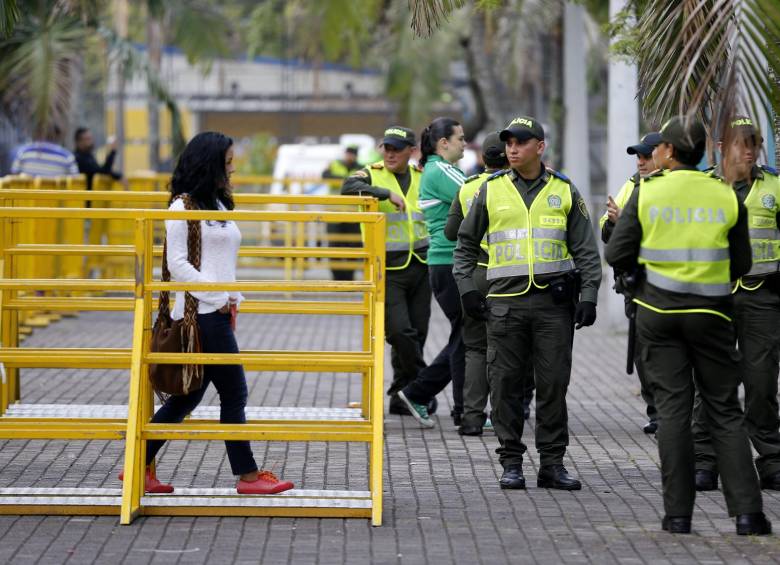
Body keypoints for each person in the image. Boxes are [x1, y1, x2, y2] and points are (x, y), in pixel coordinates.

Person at [606, 116, 770, 535]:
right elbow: (743, 264)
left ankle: (677, 516)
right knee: (724, 409)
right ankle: (749, 515)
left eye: (659, 147)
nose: (655, 152)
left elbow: (616, 253)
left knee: (674, 412)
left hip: (658, 316)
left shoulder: (647, 193)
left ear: (670, 152)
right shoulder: (725, 195)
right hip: (713, 316)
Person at [120, 131, 294, 495]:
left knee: (190, 395)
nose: (232, 169)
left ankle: (138, 465)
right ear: (209, 163)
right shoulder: (182, 207)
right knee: (234, 393)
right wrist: (216, 295)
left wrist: (232, 295)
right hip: (198, 314)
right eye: (227, 162)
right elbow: (177, 263)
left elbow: (222, 260)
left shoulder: (218, 204)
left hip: (217, 309)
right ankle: (248, 478)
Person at [454, 116, 602, 491]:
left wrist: (589, 296)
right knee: (505, 385)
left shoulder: (565, 191)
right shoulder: (491, 189)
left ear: (540, 146)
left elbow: (586, 250)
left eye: (521, 142)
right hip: (504, 304)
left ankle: (552, 464)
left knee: (553, 384)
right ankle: (511, 462)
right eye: (508, 143)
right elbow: (465, 244)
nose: (513, 149)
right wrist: (468, 289)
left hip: (554, 306)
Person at [692, 116, 780, 493]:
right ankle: (705, 461)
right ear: (722, 147)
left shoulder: (775, 185)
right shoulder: (702, 186)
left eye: (753, 143)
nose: (747, 151)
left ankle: (772, 460)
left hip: (763, 296)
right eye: (739, 143)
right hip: (714, 296)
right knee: (711, 381)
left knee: (762, 382)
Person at [341, 127, 434, 416]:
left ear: (411, 150)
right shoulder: (371, 173)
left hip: (420, 266)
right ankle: (425, 383)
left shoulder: (422, 177)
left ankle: (399, 395)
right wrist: (384, 193)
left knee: (417, 333)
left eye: (397, 148)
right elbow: (347, 189)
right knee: (399, 332)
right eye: (387, 148)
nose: (390, 153)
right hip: (387, 268)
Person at [396, 117, 467, 428]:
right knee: (468, 336)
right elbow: (480, 197)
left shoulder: (436, 170)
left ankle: (462, 407)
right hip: (449, 262)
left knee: (466, 336)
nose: (465, 143)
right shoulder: (441, 170)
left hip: (445, 263)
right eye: (460, 138)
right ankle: (422, 393)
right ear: (444, 144)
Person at [443, 131, 513, 435]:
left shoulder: (469, 187)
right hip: (512, 277)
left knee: (475, 348)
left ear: (483, 158)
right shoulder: (519, 187)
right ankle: (507, 417)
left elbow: (450, 232)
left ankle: (472, 418)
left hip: (476, 275)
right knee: (511, 349)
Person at [600, 132, 661, 434]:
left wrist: (626, 221)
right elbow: (607, 236)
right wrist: (614, 222)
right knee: (643, 352)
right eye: (638, 156)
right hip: (634, 285)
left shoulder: (670, 190)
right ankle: (656, 412)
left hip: (666, 284)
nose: (640, 161)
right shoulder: (631, 187)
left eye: (646, 155)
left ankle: (674, 412)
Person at [323, 146, 362, 281]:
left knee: (353, 247)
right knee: (334, 247)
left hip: (353, 216)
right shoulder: (335, 165)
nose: (350, 156)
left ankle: (349, 278)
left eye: (352, 154)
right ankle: (337, 278)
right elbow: (325, 175)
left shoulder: (361, 168)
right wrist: (348, 179)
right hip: (335, 214)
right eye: (348, 153)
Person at [11, 131, 78, 177]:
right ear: (58, 136)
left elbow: (14, 174)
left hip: (26, 197)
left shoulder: (24, 151)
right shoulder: (67, 156)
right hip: (56, 197)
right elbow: (75, 178)